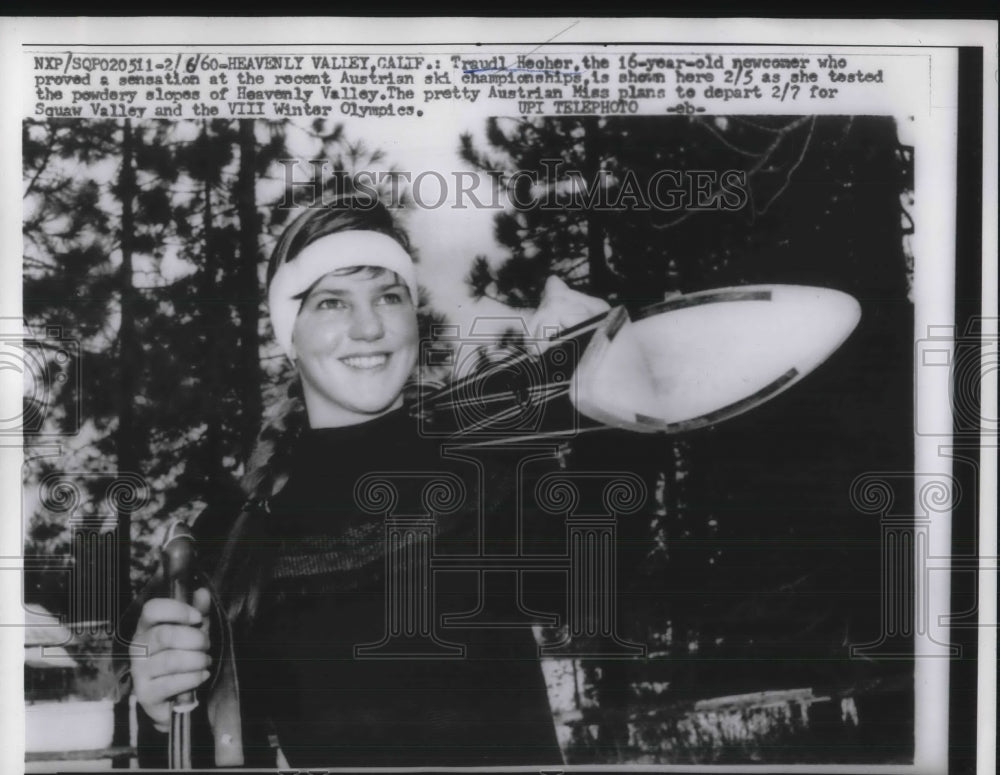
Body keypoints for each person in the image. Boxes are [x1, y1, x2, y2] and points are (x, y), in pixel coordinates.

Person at [120, 194, 610, 768]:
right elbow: (214, 756)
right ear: (289, 334)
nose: (370, 326)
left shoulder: (490, 470)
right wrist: (162, 713)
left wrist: (607, 386)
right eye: (331, 302)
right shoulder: (232, 534)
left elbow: (614, 589)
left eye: (389, 296)